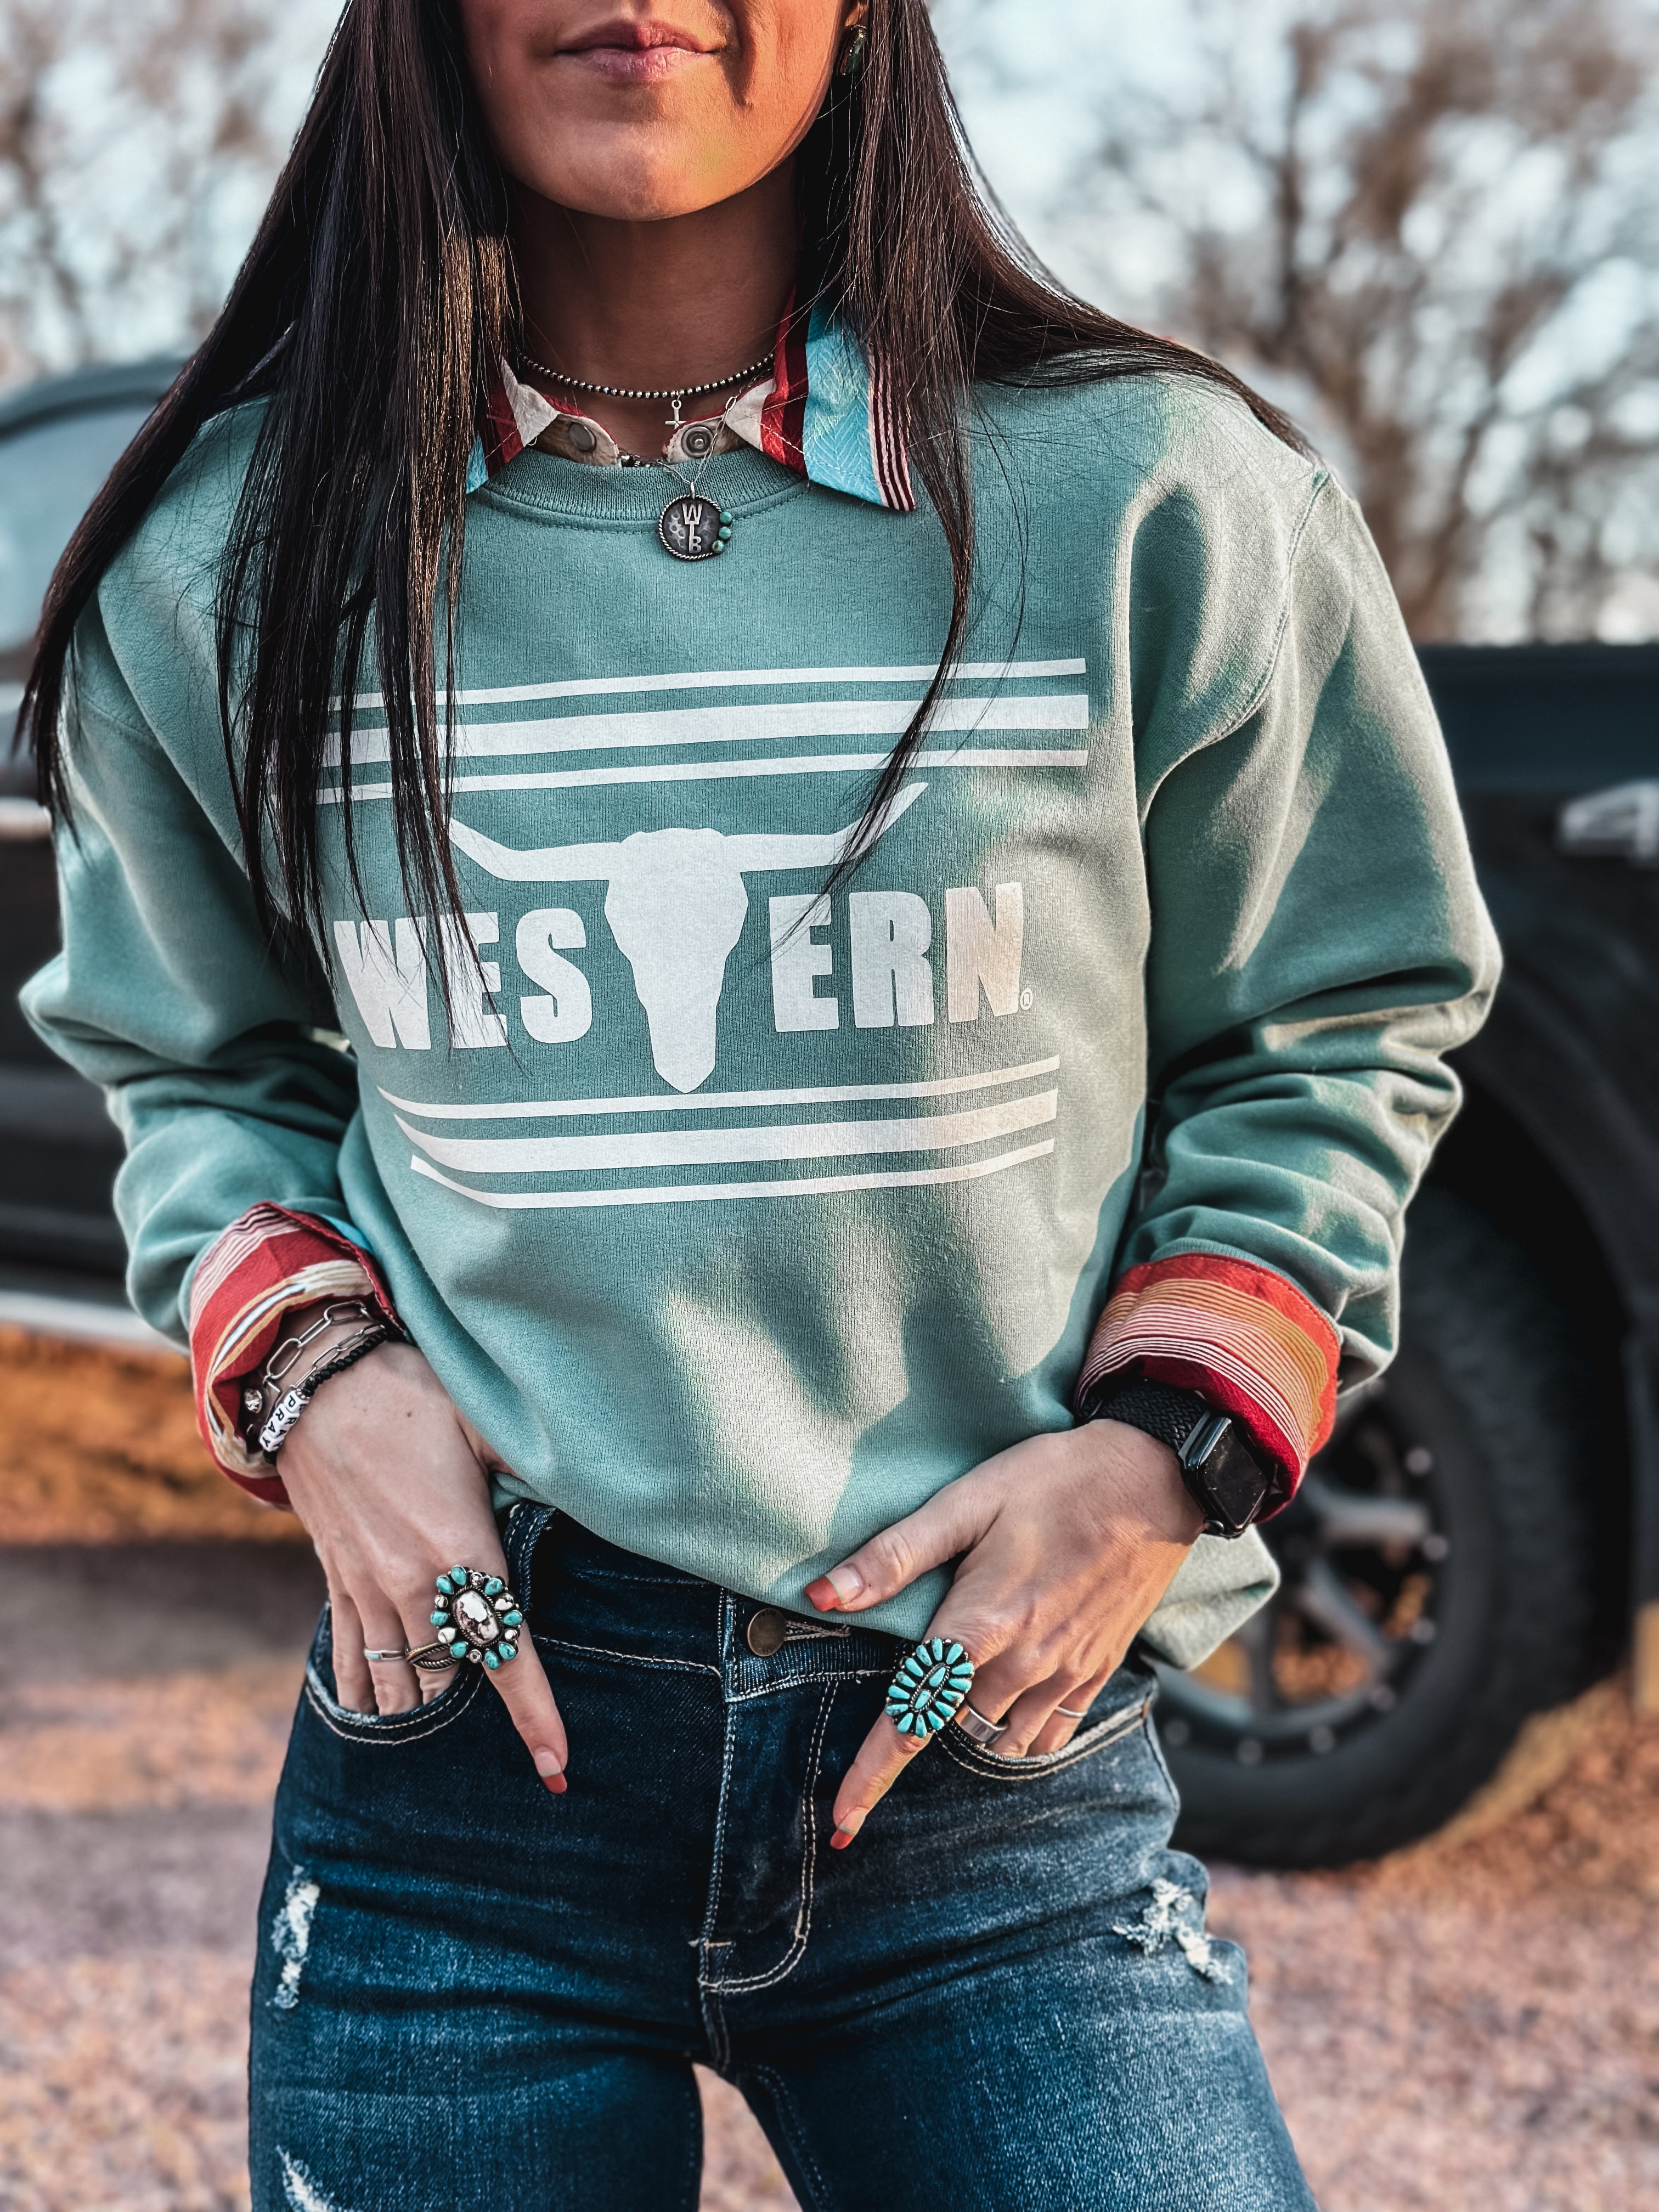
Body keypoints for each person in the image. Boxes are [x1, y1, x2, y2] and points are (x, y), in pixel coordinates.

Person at [20, 2, 1498, 2206]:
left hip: (989, 1789)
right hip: (461, 1777)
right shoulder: (224, 556)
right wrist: (317, 1377)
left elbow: (1342, 1012)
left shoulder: (1161, 496)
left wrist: (1161, 1453)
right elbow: (188, 1058)